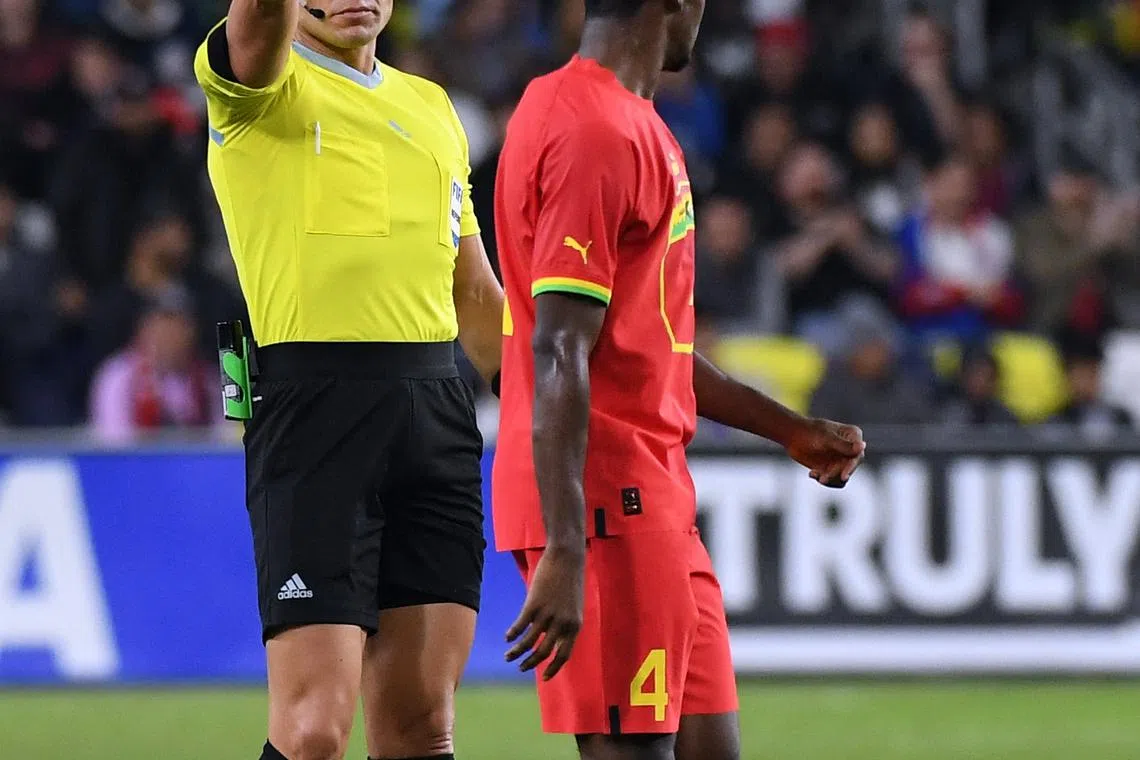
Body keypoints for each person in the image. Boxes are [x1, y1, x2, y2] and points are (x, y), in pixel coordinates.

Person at [491, 2, 866, 760]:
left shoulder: (622, 120)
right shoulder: (593, 129)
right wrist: (566, 549)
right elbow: (560, 346)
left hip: (653, 495)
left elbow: (647, 346)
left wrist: (789, 430)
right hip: (602, 503)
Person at [193, 0, 504, 758]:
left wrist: (563, 422)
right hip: (315, 408)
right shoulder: (260, 86)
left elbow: (476, 299)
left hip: (438, 408)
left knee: (423, 726)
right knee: (312, 732)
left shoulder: (431, 107)